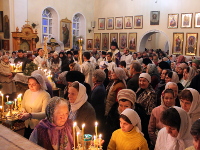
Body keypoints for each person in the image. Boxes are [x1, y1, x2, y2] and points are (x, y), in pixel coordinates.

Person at [19, 74, 51, 139]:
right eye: (29, 84)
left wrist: (30, 115)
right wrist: (23, 111)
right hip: (28, 125)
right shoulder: (27, 92)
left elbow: (45, 113)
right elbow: (22, 106)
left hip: (39, 126)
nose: (31, 86)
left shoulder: (45, 95)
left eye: (33, 84)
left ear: (40, 84)